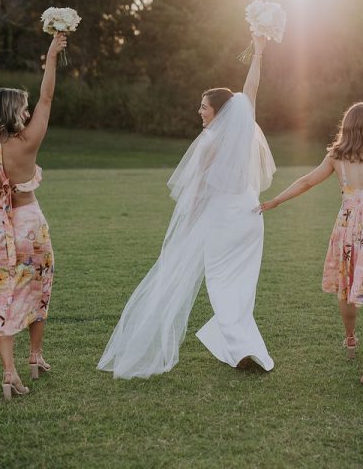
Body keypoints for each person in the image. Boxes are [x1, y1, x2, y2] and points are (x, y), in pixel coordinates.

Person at [98, 36, 276, 378]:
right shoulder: (245, 131)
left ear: (219, 112)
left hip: (224, 221)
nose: (199, 111)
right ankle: (238, 344)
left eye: (204, 107)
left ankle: (241, 349)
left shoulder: (210, 145)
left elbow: (198, 194)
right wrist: (259, 50)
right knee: (242, 285)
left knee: (222, 284)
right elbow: (251, 87)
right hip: (250, 218)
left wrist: (188, 223)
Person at [258, 102, 363, 388]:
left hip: (347, 228)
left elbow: (308, 181)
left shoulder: (338, 155)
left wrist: (276, 201)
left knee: (347, 290)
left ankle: (350, 340)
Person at [0, 34, 65, 400]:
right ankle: (35, 356)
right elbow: (48, 97)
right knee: (38, 287)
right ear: (12, 112)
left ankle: (10, 373)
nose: (27, 114)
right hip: (29, 226)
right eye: (23, 109)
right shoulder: (27, 143)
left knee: (0, 299)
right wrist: (51, 56)